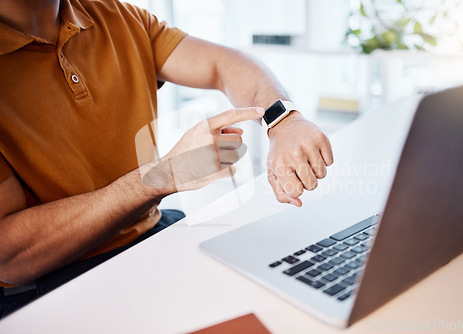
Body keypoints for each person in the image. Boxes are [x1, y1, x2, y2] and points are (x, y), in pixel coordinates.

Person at [0, 0, 333, 318]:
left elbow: (223, 63)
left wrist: (284, 119)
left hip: (150, 237)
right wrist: (161, 177)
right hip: (51, 286)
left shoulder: (120, 17)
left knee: (294, 290)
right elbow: (10, 257)